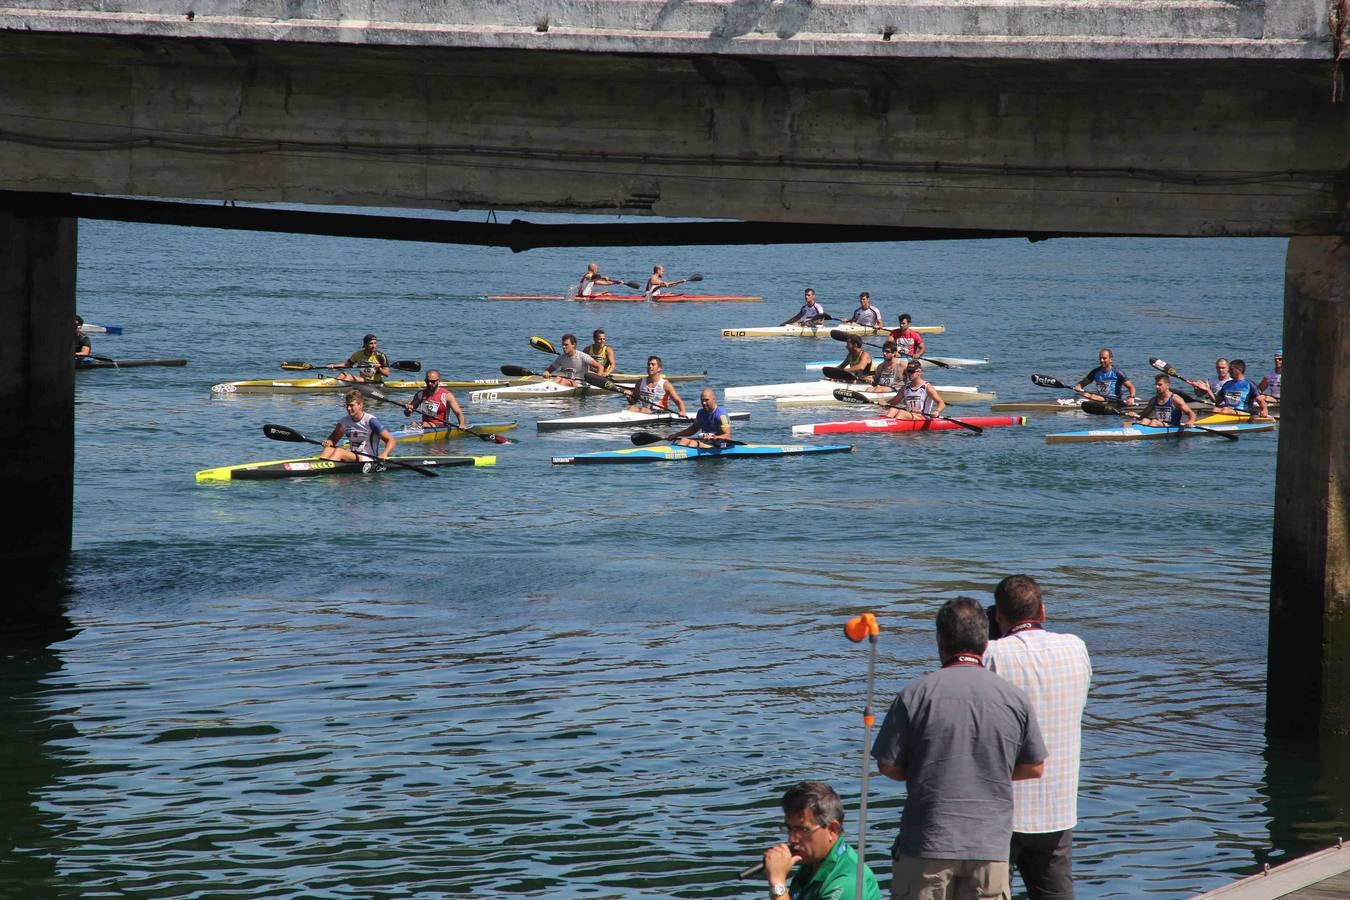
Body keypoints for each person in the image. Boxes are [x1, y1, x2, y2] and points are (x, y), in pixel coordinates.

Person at [872, 597, 1047, 900]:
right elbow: (1035, 766)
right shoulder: (1013, 698)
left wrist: (927, 767)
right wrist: (991, 768)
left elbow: (888, 766)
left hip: (927, 843)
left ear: (940, 640)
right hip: (989, 847)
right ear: (985, 641)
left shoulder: (915, 694)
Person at [984, 575, 1092, 900]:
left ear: (999, 615)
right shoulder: (1077, 648)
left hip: (1004, 811)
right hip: (1058, 807)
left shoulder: (992, 655)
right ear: (1042, 612)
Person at [760, 781, 882, 900]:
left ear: (833, 829)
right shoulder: (813, 863)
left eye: (802, 829)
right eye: (789, 828)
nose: (792, 839)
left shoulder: (847, 884)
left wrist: (778, 884)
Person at [318, 390, 396, 464]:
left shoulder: (371, 421)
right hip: (352, 455)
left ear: (360, 405)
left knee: (339, 451)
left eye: (351, 405)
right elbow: (333, 440)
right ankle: (318, 468)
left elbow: (391, 440)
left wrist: (384, 454)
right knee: (329, 448)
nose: (348, 408)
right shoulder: (343, 421)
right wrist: (328, 442)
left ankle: (325, 471)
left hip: (368, 458)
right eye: (347, 405)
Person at [1198, 358, 1269, 416]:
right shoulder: (1227, 384)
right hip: (1226, 411)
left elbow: (1261, 400)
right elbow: (1216, 401)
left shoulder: (1249, 384)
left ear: (1239, 370)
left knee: (1224, 410)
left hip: (1244, 412)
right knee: (1215, 409)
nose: (1229, 371)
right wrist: (1208, 390)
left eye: (1231, 369)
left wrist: (1264, 410)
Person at [879, 361, 945, 421]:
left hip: (923, 417)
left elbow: (941, 403)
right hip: (909, 416)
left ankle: (893, 430)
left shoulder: (927, 387)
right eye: (908, 371)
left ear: (919, 372)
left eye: (912, 371)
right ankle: (884, 428)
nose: (909, 374)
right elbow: (893, 403)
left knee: (901, 413)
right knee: (892, 410)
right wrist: (884, 404)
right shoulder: (905, 388)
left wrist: (937, 411)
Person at [403, 369, 468, 431]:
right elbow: (407, 414)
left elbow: (458, 413)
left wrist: (462, 424)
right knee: (413, 424)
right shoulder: (420, 394)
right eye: (427, 381)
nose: (430, 383)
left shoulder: (447, 395)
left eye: (433, 381)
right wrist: (407, 410)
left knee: (417, 424)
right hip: (425, 425)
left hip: (442, 426)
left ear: (438, 381)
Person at [1131, 374, 1195, 428]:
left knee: (1154, 422)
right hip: (1160, 425)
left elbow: (1191, 413)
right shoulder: (1154, 400)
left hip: (1172, 426)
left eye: (1159, 385)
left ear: (1167, 385)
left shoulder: (1175, 399)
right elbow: (1143, 415)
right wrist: (1135, 415)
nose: (1156, 387)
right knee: (1145, 420)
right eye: (1156, 384)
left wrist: (1190, 421)